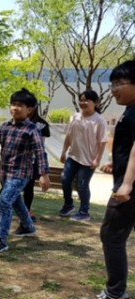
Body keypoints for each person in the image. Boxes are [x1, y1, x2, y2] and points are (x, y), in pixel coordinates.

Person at [0, 88, 50, 254]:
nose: (15, 108)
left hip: (21, 174)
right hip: (5, 173)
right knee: (15, 201)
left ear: (29, 109)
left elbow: (40, 152)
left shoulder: (32, 129)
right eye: (13, 104)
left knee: (5, 201)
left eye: (20, 105)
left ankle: (0, 240)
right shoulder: (5, 126)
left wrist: (44, 174)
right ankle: (27, 226)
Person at [99, 60, 135, 299]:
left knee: (111, 235)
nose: (113, 90)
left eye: (119, 83)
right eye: (112, 84)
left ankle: (115, 292)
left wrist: (127, 183)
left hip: (129, 190)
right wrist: (116, 164)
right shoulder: (130, 111)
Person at [59, 90, 108, 222]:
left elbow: (102, 142)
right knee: (65, 179)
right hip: (73, 156)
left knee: (82, 185)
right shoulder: (74, 117)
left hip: (88, 160)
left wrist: (97, 159)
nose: (83, 103)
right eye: (81, 100)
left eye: (86, 100)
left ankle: (84, 212)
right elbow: (68, 136)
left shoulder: (99, 120)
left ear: (95, 102)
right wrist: (63, 152)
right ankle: (68, 205)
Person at [20, 105, 50, 221]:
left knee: (29, 186)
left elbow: (41, 146)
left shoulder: (41, 124)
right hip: (17, 158)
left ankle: (27, 209)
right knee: (9, 185)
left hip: (31, 159)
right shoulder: (17, 121)